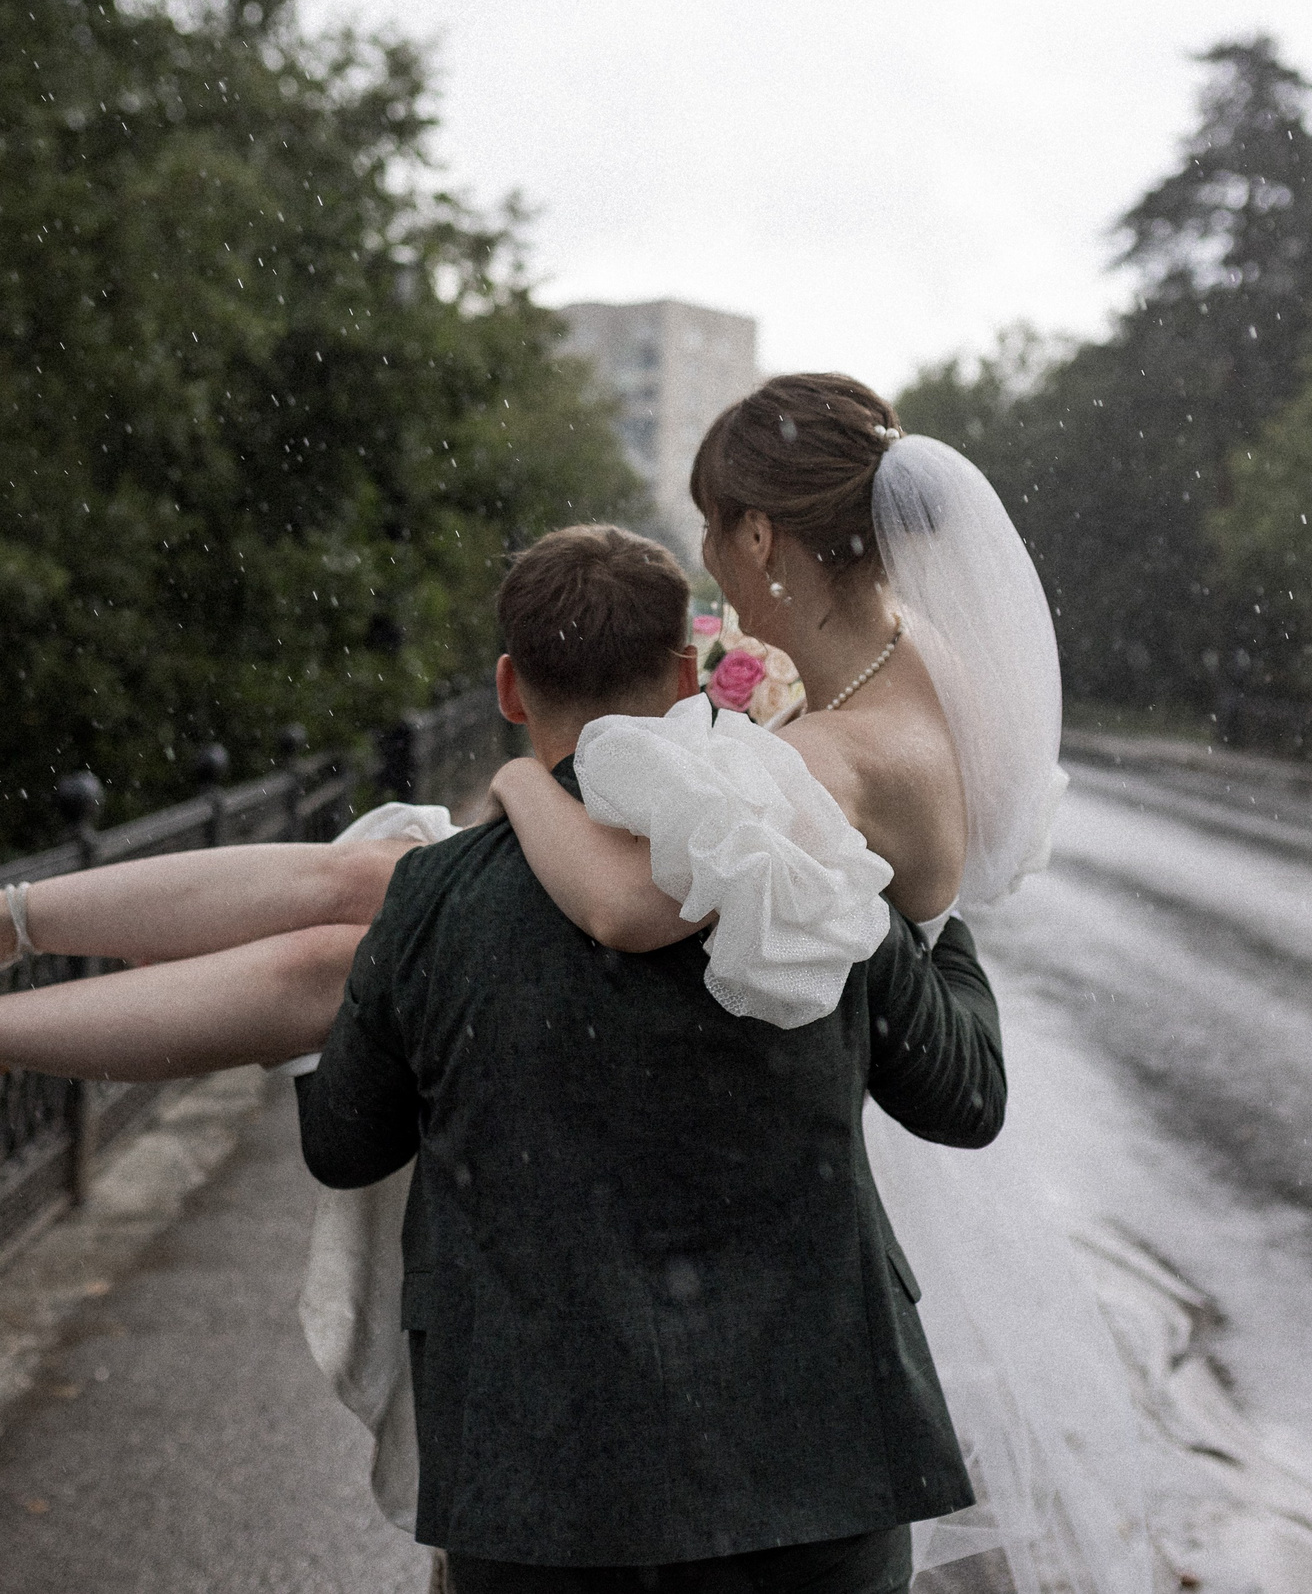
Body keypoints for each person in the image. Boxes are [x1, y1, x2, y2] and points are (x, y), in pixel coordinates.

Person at [0, 372, 1155, 1591]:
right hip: (806, 1415)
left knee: (381, 900)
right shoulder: (908, 665)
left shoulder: (834, 757)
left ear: (768, 535)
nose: (719, 569)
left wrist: (507, 796)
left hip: (612, 1343)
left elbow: (612, 902)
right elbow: (883, 893)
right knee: (375, 892)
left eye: (721, 533)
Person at [297, 522, 1004, 1593]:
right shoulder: (796, 850)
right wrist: (944, 908)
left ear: (507, 686)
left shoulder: (436, 899)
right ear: (687, 673)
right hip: (813, 1453)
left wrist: (328, 1016)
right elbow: (964, 1094)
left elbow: (344, 1142)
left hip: (534, 1474)